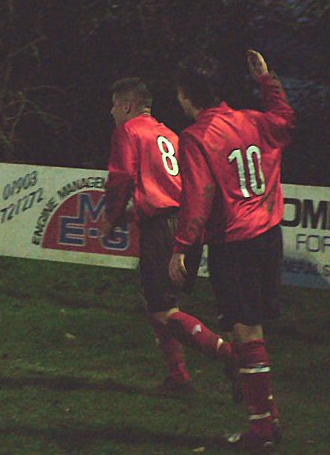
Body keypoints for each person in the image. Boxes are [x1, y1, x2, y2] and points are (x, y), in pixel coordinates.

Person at [169, 50, 295, 450]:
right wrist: (267, 82)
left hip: (236, 241)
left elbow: (199, 196)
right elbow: (286, 122)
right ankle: (268, 418)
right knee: (248, 328)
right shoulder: (250, 119)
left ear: (188, 95)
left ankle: (262, 430)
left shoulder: (196, 137)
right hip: (268, 233)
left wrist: (182, 248)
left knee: (245, 330)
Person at [100, 77, 234, 396]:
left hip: (162, 227)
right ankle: (179, 378)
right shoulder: (169, 134)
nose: (111, 111)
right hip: (186, 224)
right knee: (158, 303)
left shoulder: (129, 132)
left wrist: (111, 218)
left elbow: (120, 180)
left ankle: (230, 358)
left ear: (128, 106)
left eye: (115, 105)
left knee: (164, 310)